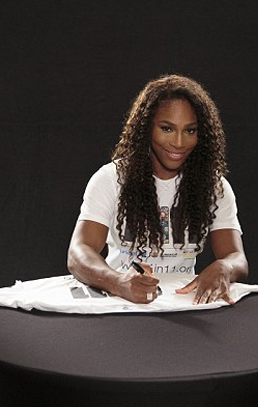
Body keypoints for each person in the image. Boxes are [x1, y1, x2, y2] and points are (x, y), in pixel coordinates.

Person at [67, 74, 248, 305]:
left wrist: (224, 267)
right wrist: (117, 282)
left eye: (190, 130)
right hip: (121, 303)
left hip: (181, 304)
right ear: (146, 127)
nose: (179, 143)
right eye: (167, 128)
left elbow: (237, 258)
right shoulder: (111, 179)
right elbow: (79, 252)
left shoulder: (214, 187)